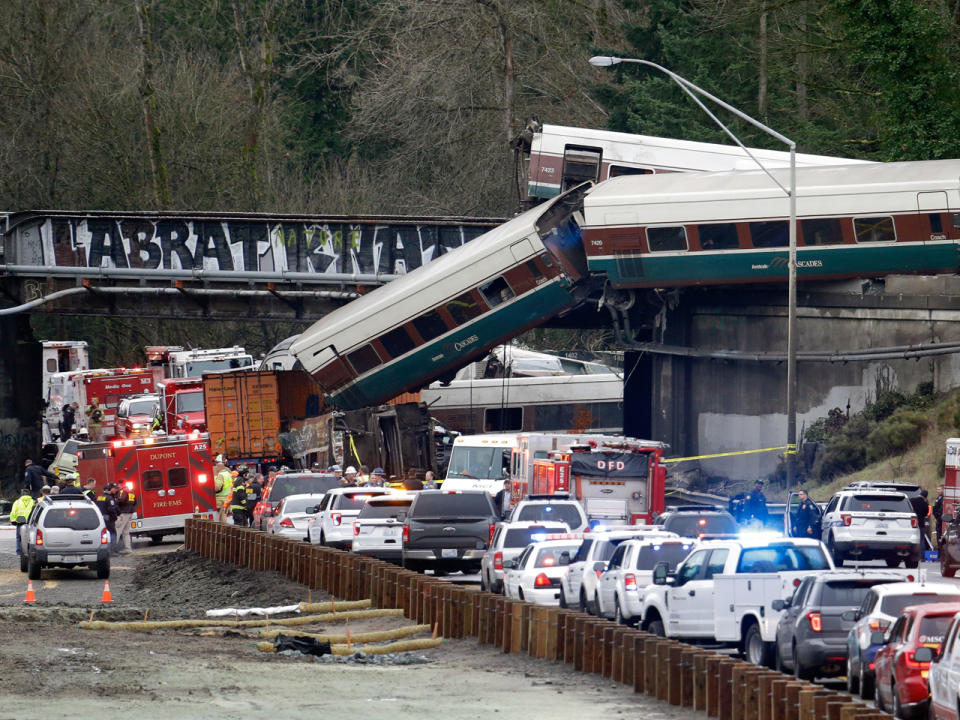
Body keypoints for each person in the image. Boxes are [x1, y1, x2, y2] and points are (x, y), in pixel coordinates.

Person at [10, 489, 35, 556]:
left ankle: (19, 552)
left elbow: (13, 512)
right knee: (30, 538)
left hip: (20, 522)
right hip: (30, 522)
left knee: (19, 538)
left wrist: (13, 521)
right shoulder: (33, 502)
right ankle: (29, 552)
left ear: (21, 494)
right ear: (29, 494)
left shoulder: (17, 502)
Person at [114, 482, 137, 554]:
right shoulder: (131, 491)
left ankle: (113, 549)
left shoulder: (123, 491)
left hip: (123, 512)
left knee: (117, 530)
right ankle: (128, 549)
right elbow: (135, 502)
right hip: (130, 512)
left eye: (119, 485)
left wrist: (116, 501)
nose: (118, 487)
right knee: (126, 532)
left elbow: (122, 500)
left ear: (121, 484)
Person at [96, 482, 120, 550]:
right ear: (110, 489)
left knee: (104, 534)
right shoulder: (109, 498)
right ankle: (114, 550)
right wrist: (115, 517)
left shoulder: (100, 497)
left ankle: (105, 549)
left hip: (102, 519)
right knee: (113, 534)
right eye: (114, 489)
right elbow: (111, 509)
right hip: (109, 520)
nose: (116, 490)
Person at [214, 460, 233, 524]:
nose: (216, 469)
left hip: (220, 499)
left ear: (220, 468)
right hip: (227, 499)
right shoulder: (228, 474)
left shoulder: (221, 475)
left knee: (220, 517)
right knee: (224, 515)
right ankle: (224, 529)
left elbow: (217, 487)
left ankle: (222, 530)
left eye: (216, 467)